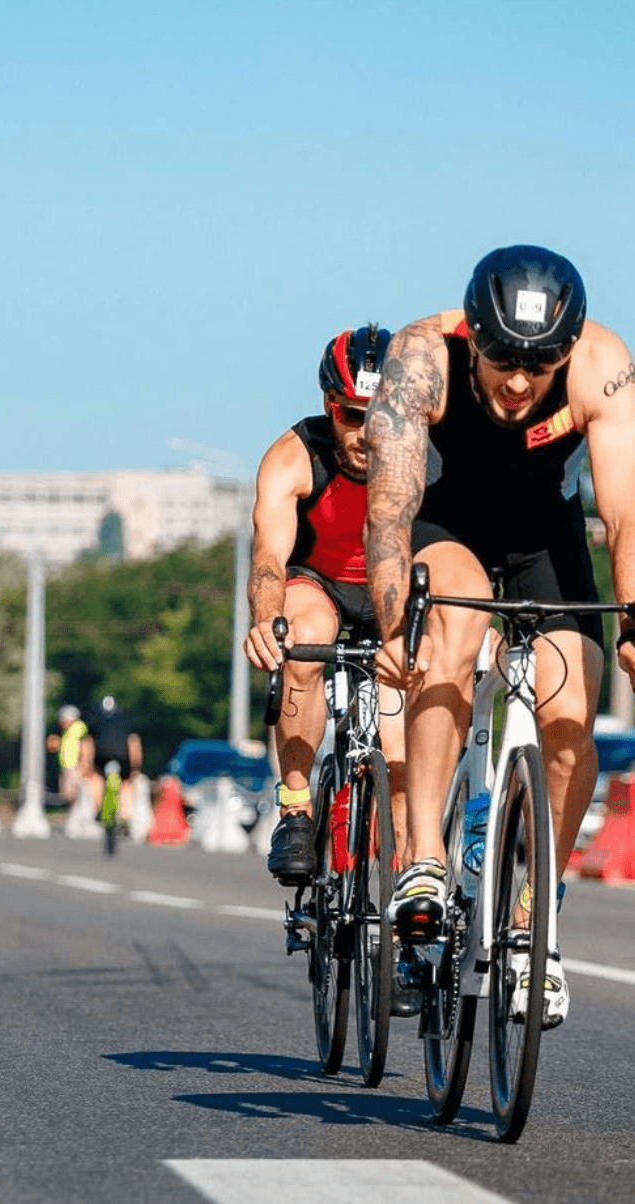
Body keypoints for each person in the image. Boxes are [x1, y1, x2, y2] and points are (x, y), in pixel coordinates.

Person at [363, 245, 635, 1028]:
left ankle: (538, 915)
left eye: (538, 366)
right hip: (448, 517)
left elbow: (629, 513)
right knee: (456, 622)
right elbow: (388, 513)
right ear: (474, 334)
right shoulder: (421, 355)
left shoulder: (603, 364)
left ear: (567, 351)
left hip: (545, 531)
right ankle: (426, 864)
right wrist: (395, 618)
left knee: (572, 713)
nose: (515, 380)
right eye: (502, 357)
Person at [244, 323, 407, 886]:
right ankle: (294, 805)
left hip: (397, 590)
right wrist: (267, 620)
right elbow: (269, 557)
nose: (366, 433)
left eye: (381, 415)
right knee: (302, 637)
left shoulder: (428, 455)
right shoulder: (293, 456)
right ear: (328, 406)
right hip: (320, 582)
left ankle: (411, 872)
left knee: (410, 689)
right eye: (351, 415)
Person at [84, 695, 143, 827]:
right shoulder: (126, 720)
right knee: (126, 785)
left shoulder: (96, 720)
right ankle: (126, 817)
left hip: (101, 757)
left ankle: (98, 809)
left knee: (95, 779)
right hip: (123, 759)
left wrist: (87, 766)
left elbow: (88, 744)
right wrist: (136, 768)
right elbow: (134, 744)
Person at [47, 704, 89, 804]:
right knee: (67, 794)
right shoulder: (67, 732)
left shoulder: (78, 729)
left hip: (74, 766)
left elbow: (84, 746)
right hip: (68, 766)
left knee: (72, 794)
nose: (60, 722)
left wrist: (83, 763)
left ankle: (78, 814)